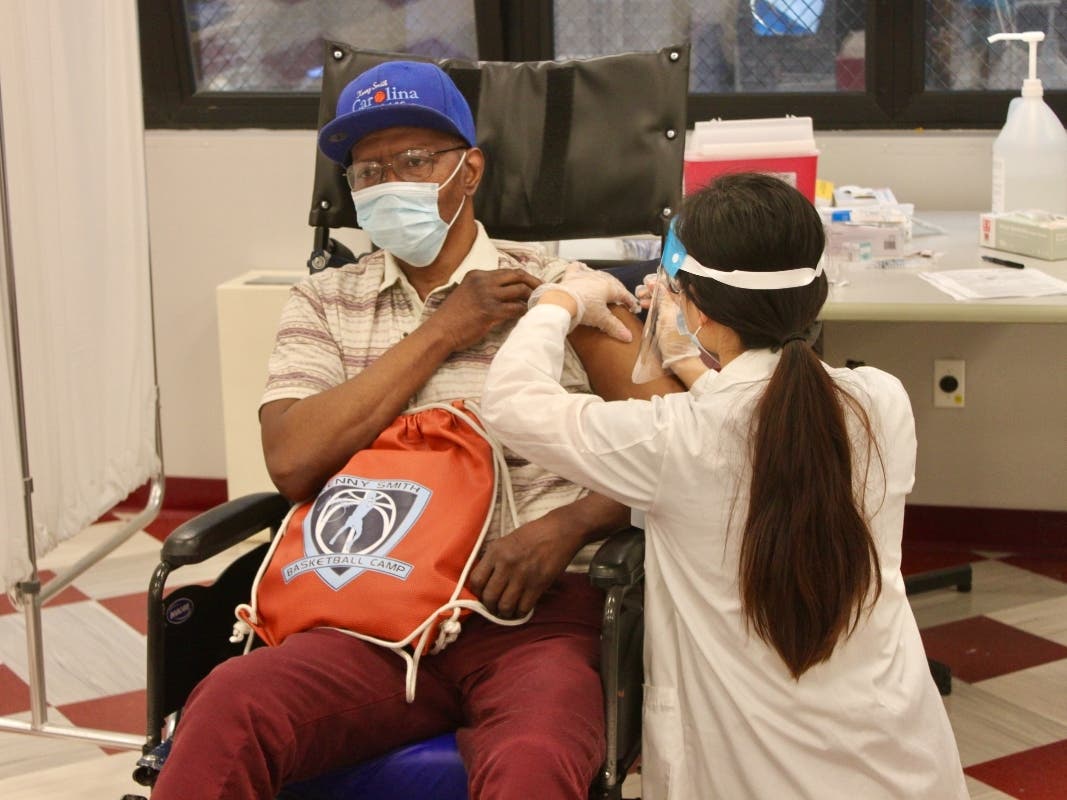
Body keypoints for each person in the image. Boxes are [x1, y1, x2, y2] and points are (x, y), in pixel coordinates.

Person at [150, 60, 680, 799]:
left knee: (532, 758)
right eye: (367, 172)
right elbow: (293, 460)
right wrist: (443, 330)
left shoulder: (563, 290)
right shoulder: (323, 303)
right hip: (363, 611)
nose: (387, 183)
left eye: (413, 160)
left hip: (532, 612)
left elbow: (679, 442)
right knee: (227, 707)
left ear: (470, 170)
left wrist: (571, 524)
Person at [480, 172, 969, 799]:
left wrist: (559, 302)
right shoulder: (881, 400)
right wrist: (691, 357)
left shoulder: (672, 440)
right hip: (901, 765)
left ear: (701, 308)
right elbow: (760, 418)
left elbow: (512, 404)